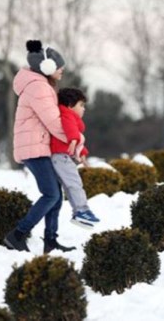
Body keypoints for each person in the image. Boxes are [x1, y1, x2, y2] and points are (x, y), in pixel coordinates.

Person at [3, 39, 76, 254]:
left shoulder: (39, 85)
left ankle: (50, 240)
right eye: (59, 66)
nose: (62, 70)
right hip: (34, 149)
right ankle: (17, 235)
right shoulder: (39, 88)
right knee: (51, 194)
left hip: (37, 147)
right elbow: (54, 122)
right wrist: (74, 140)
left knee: (55, 193)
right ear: (47, 68)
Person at [50, 88, 100, 229]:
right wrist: (72, 140)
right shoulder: (67, 115)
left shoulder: (68, 115)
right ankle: (81, 210)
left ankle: (79, 212)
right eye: (81, 105)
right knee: (74, 183)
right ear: (70, 105)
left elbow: (77, 138)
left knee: (71, 184)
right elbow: (71, 129)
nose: (84, 109)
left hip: (61, 156)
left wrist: (82, 154)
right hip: (60, 156)